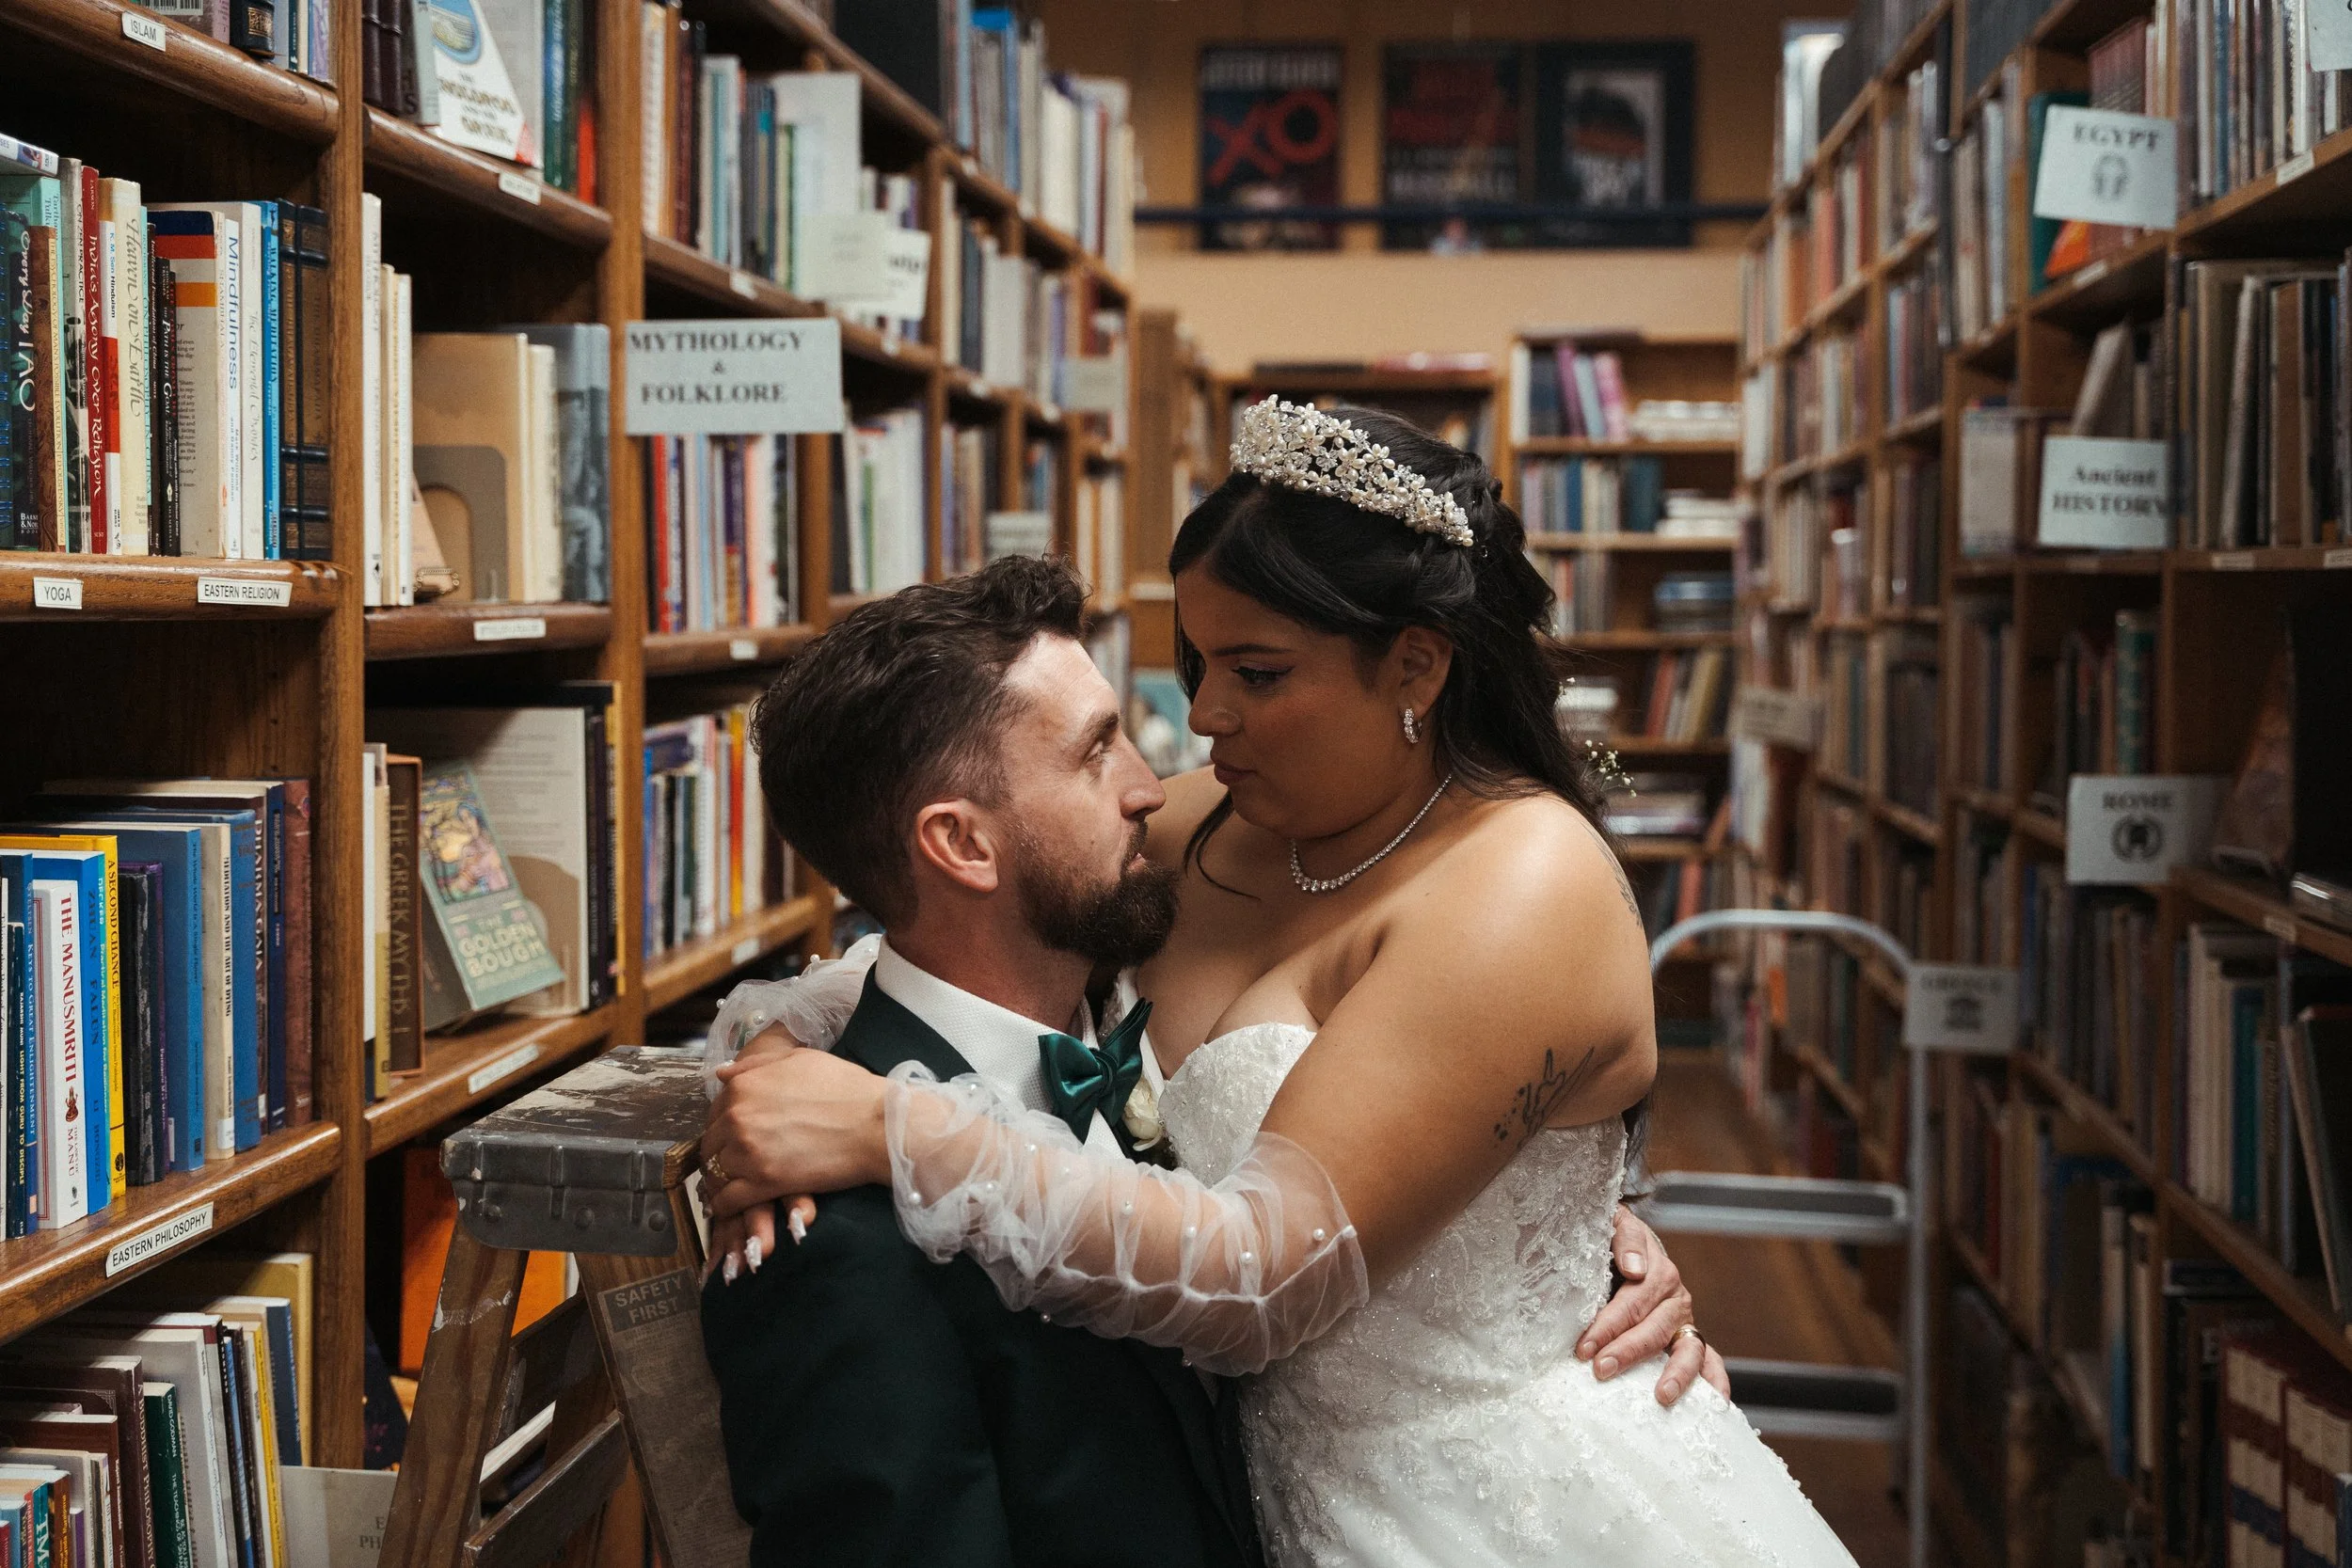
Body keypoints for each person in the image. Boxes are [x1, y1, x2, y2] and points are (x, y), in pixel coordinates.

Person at [702, 403, 1857, 1566]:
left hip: (1486, 1503)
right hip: (1248, 1491)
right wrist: (782, 1059)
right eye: (1199, 661)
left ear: (1416, 660)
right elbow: (959, 926)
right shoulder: (1215, 821)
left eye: (1257, 672)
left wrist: (898, 1129)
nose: (1199, 720)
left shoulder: (1524, 881)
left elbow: (1268, 1275)